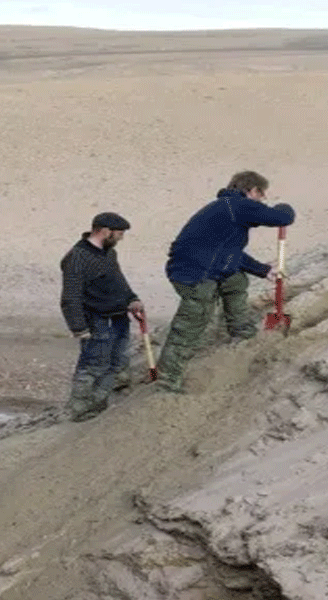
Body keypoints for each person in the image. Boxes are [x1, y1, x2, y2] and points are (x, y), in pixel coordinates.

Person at [153, 170, 295, 393]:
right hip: (194, 274)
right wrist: (284, 208)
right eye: (262, 194)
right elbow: (282, 218)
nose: (262, 200)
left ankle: (241, 330)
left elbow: (230, 253)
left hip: (203, 267)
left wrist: (263, 270)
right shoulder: (237, 205)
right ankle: (167, 379)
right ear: (252, 190)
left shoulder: (225, 209)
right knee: (193, 321)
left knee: (236, 281)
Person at [59, 211, 144, 421]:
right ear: (105, 232)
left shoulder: (109, 253)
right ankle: (79, 409)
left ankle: (99, 406)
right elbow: (70, 295)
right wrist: (79, 327)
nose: (121, 238)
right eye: (119, 233)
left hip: (118, 318)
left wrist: (132, 299)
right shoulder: (77, 257)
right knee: (93, 366)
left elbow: (118, 280)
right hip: (96, 320)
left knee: (117, 363)